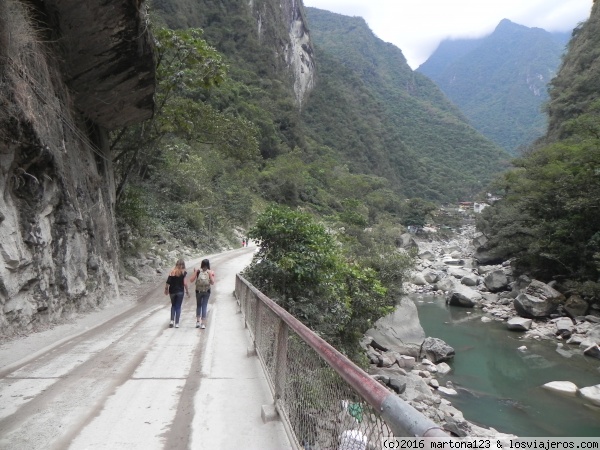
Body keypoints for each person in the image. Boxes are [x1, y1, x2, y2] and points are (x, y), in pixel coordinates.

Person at [189, 258, 215, 329]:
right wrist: (210, 276)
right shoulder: (210, 272)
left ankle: (198, 322)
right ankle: (203, 323)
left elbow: (191, 280)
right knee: (204, 306)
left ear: (202, 264)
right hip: (207, 291)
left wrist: (195, 272)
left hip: (198, 291)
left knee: (199, 305)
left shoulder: (198, 271)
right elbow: (212, 282)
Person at [164, 259, 189, 328]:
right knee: (178, 307)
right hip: (180, 291)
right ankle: (177, 323)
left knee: (173, 305)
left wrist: (166, 289)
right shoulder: (184, 273)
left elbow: (168, 282)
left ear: (176, 264)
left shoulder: (172, 272)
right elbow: (185, 283)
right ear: (183, 265)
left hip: (172, 291)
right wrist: (187, 291)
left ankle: (171, 321)